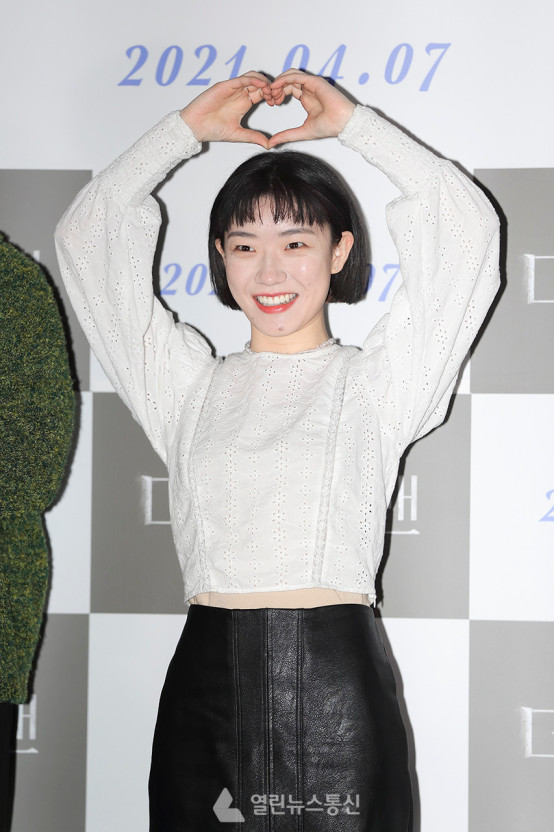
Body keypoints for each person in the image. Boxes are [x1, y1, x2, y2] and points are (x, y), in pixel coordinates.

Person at [55, 70, 500, 831]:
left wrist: (357, 126)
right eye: (244, 245)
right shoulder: (185, 388)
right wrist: (182, 131)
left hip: (337, 699)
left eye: (296, 242)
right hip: (205, 695)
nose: (269, 271)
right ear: (221, 257)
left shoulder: (379, 384)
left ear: (339, 251)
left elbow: (465, 232)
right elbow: (86, 240)